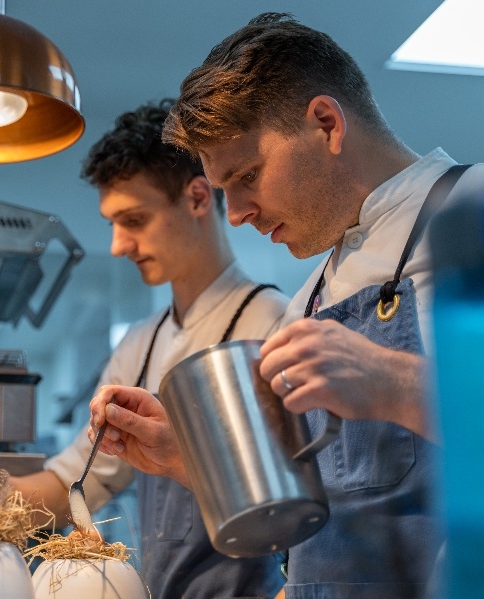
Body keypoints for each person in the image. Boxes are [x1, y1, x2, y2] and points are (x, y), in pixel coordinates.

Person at [87, 13, 473, 599]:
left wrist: (390, 380)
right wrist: (183, 457)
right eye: (223, 191)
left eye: (247, 175)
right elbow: (323, 503)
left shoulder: (473, 211)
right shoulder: (310, 299)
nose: (236, 213)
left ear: (325, 123)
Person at [0, 99, 289, 599]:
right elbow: (73, 484)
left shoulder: (273, 323)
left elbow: (302, 503)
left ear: (198, 198)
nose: (116, 245)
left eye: (133, 219)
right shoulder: (140, 345)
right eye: (111, 223)